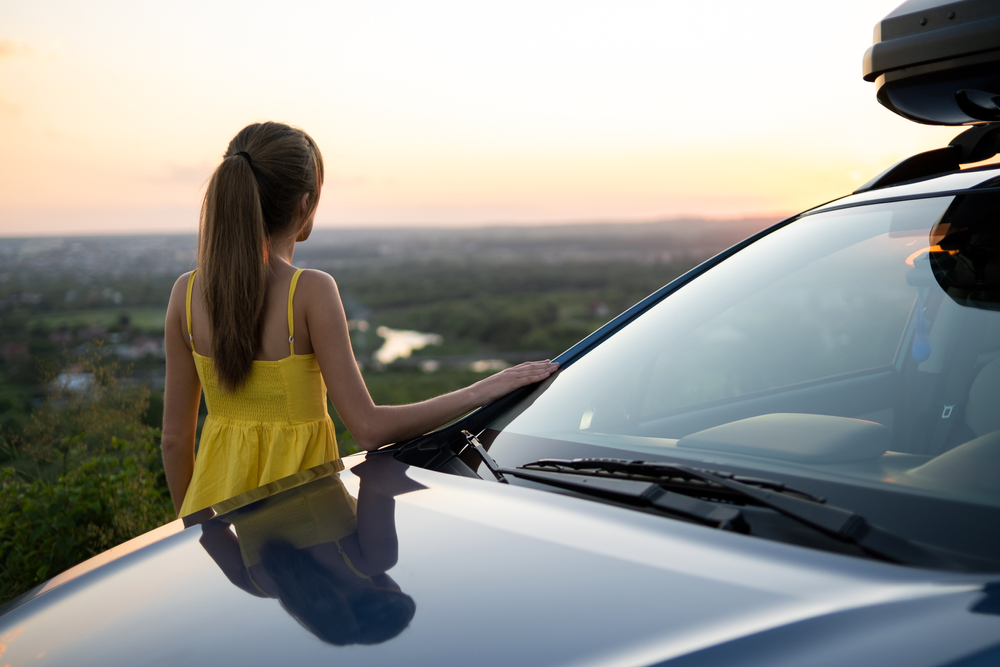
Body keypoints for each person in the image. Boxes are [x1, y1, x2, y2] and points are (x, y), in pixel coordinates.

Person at [161, 121, 557, 517]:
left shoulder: (186, 293)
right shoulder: (309, 292)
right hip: (304, 527)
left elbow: (175, 441)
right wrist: (486, 389)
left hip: (214, 527)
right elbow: (369, 429)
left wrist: (191, 530)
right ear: (305, 203)